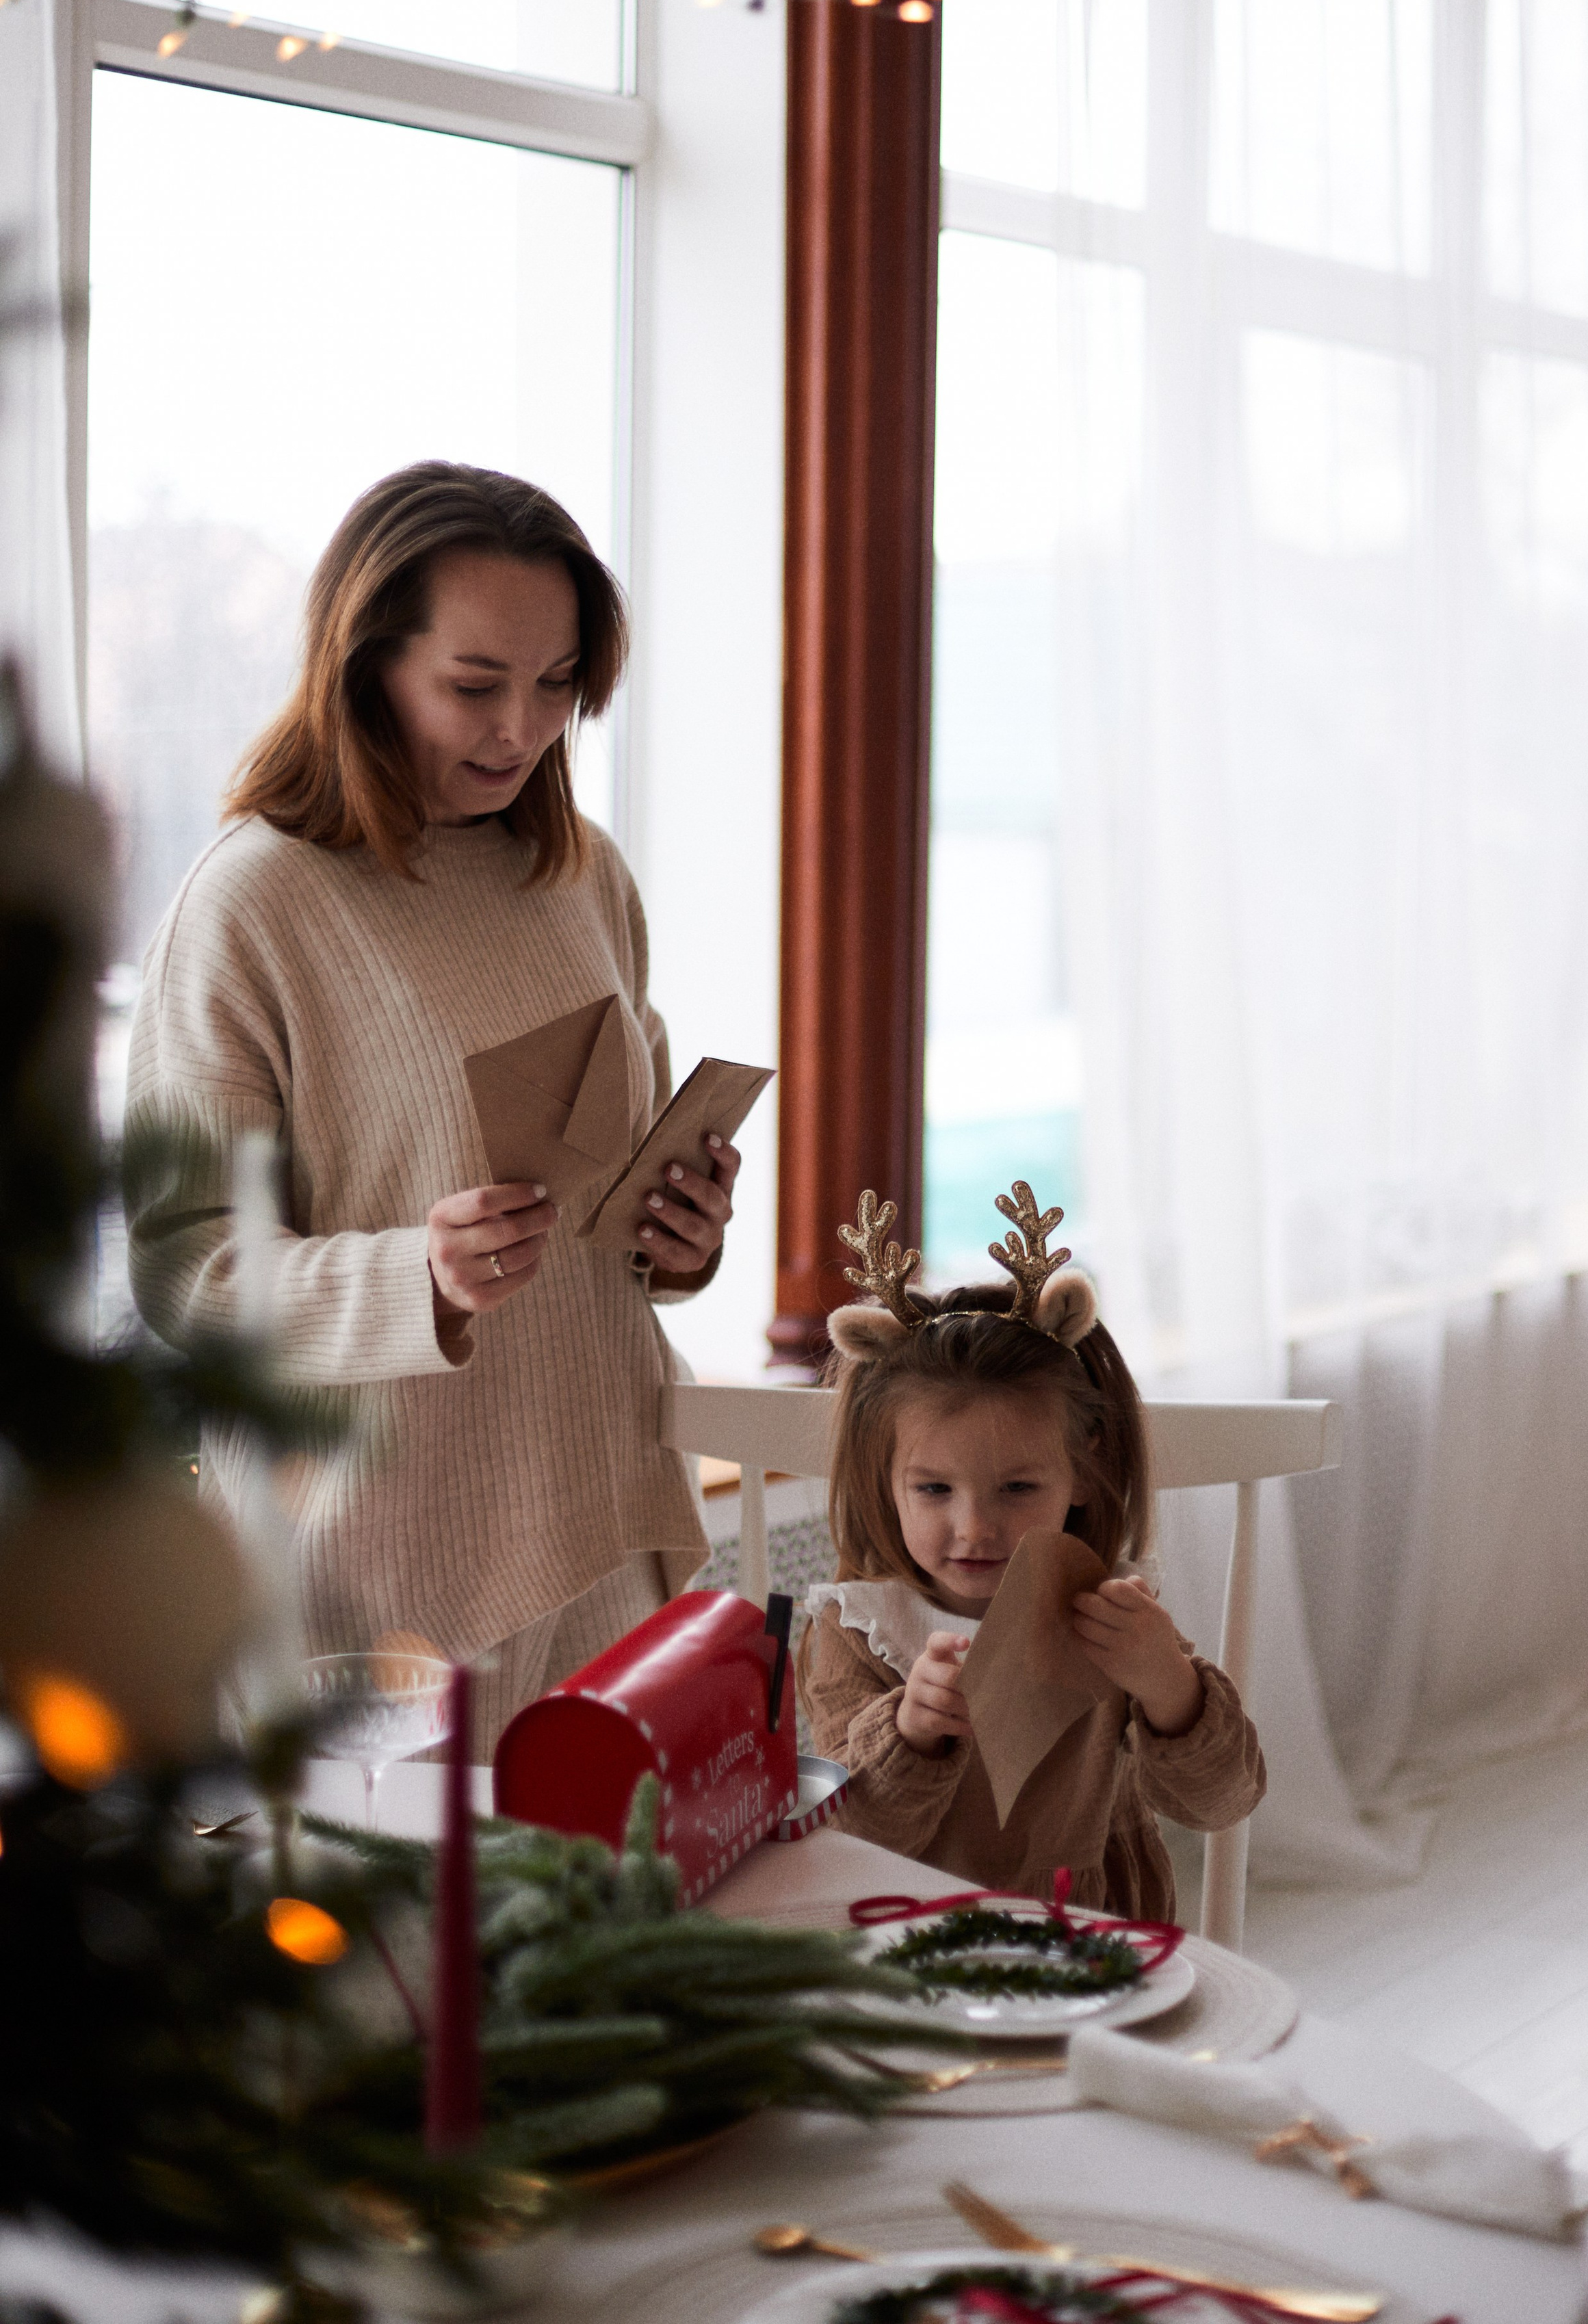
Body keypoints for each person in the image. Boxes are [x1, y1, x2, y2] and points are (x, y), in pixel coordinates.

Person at [125, 460, 736, 1748]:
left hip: (601, 1517)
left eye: (560, 683)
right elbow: (184, 1272)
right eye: (474, 685)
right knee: (409, 1952)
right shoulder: (254, 904)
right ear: (362, 665)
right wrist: (420, 1277)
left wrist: (679, 1238)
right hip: (375, 1585)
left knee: (616, 1937)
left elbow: (610, 1198)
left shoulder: (582, 876)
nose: (522, 729)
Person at [798, 1184, 1264, 1919]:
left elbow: (1222, 1800)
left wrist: (1169, 1685)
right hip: (908, 1936)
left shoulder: (1107, 1615)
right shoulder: (858, 1628)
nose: (975, 1527)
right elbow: (851, 1834)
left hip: (1091, 1933)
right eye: (933, 1490)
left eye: (1016, 1487)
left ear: (1082, 1470)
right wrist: (909, 1734)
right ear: (882, 1481)